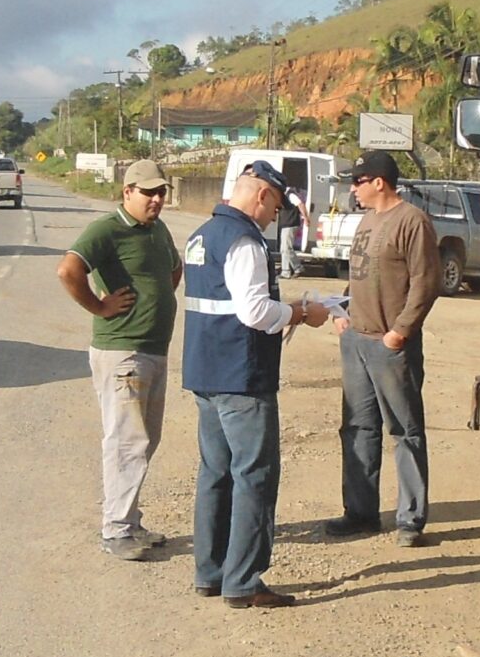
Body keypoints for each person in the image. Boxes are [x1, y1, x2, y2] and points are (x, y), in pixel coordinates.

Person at [184, 159, 326, 607]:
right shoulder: (245, 241)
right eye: (276, 206)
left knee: (215, 474)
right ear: (262, 195)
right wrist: (301, 313)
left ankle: (210, 572)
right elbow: (254, 313)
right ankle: (243, 581)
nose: (274, 216)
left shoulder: (201, 235)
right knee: (255, 476)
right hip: (242, 377)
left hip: (206, 372)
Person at [58, 158, 181, 560]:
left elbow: (173, 270)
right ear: (127, 192)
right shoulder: (106, 229)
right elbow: (68, 270)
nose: (157, 199)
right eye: (149, 192)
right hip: (122, 350)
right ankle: (116, 529)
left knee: (145, 440)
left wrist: (158, 296)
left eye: (161, 192)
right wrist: (100, 306)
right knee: (126, 440)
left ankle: (129, 521)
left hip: (153, 347)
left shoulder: (157, 229)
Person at [323, 151, 439, 547]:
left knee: (404, 430)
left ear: (379, 182)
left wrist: (400, 332)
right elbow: (358, 275)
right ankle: (360, 512)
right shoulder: (367, 221)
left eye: (358, 181)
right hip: (356, 338)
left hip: (390, 344)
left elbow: (426, 282)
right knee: (357, 428)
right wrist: (341, 309)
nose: (353, 188)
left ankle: (410, 519)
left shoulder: (412, 222)